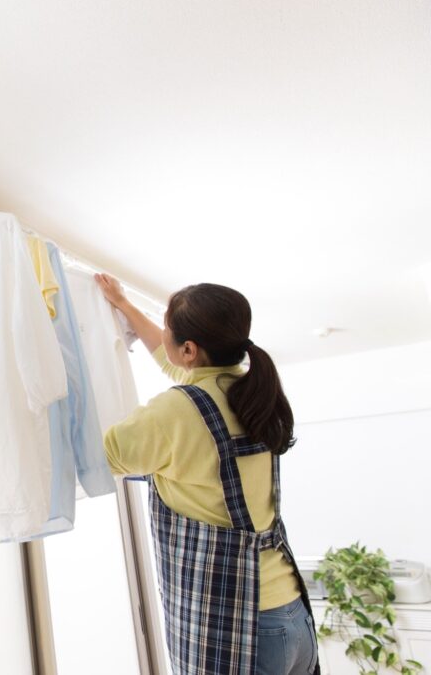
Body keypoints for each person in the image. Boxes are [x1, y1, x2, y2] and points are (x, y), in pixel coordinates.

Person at [96, 275, 320, 675]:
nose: (161, 332)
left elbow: (99, 458)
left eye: (166, 326)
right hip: (292, 616)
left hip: (239, 630)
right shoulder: (253, 390)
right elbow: (175, 364)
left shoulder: (174, 411)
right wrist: (125, 306)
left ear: (189, 349)